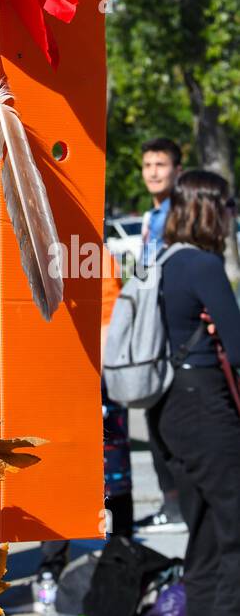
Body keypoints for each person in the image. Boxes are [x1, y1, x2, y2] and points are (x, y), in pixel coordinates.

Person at [154, 169, 240, 616]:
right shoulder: (206, 266)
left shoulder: (164, 263)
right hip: (208, 409)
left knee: (204, 543)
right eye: (227, 206)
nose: (231, 216)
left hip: (170, 411)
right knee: (235, 543)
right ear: (209, 209)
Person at [136, 136, 186, 532]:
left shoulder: (178, 218)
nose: (153, 172)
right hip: (151, 330)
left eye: (161, 165)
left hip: (172, 333)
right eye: (148, 165)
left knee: (170, 425)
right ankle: (172, 505)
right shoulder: (150, 218)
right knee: (156, 424)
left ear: (177, 171)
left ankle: (180, 506)